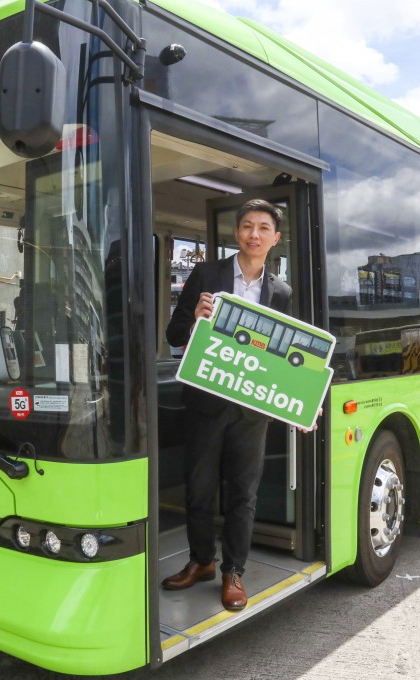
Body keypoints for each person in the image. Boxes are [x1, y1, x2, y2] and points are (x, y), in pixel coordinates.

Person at [162, 198, 291, 611]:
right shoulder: (206, 273)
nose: (254, 234)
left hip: (251, 410)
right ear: (237, 233)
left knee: (243, 493)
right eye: (247, 226)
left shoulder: (281, 292)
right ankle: (201, 560)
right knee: (199, 489)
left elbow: (285, 356)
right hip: (205, 400)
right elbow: (173, 332)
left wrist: (303, 402)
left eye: (263, 228)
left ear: (275, 238)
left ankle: (234, 571)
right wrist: (195, 319)